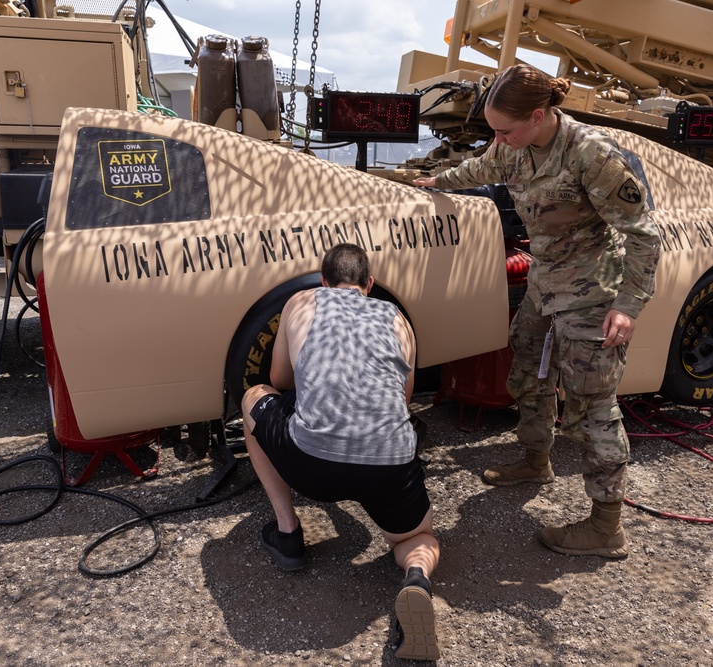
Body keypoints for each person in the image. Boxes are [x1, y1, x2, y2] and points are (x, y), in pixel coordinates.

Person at [413, 64, 660, 559]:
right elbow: (481, 169)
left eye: (505, 130)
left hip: (592, 292)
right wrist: (434, 180)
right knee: (527, 369)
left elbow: (643, 234)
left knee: (592, 405)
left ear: (540, 115)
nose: (498, 140)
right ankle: (535, 459)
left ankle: (605, 527)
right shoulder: (513, 145)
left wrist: (629, 306)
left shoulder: (592, 155)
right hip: (545, 284)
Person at [241, 243, 440, 661]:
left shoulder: (301, 300)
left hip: (311, 464)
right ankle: (417, 577)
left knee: (254, 396)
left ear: (322, 280)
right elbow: (401, 405)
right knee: (417, 537)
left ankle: (288, 533)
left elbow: (278, 379)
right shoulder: (398, 320)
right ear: (369, 285)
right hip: (389, 463)